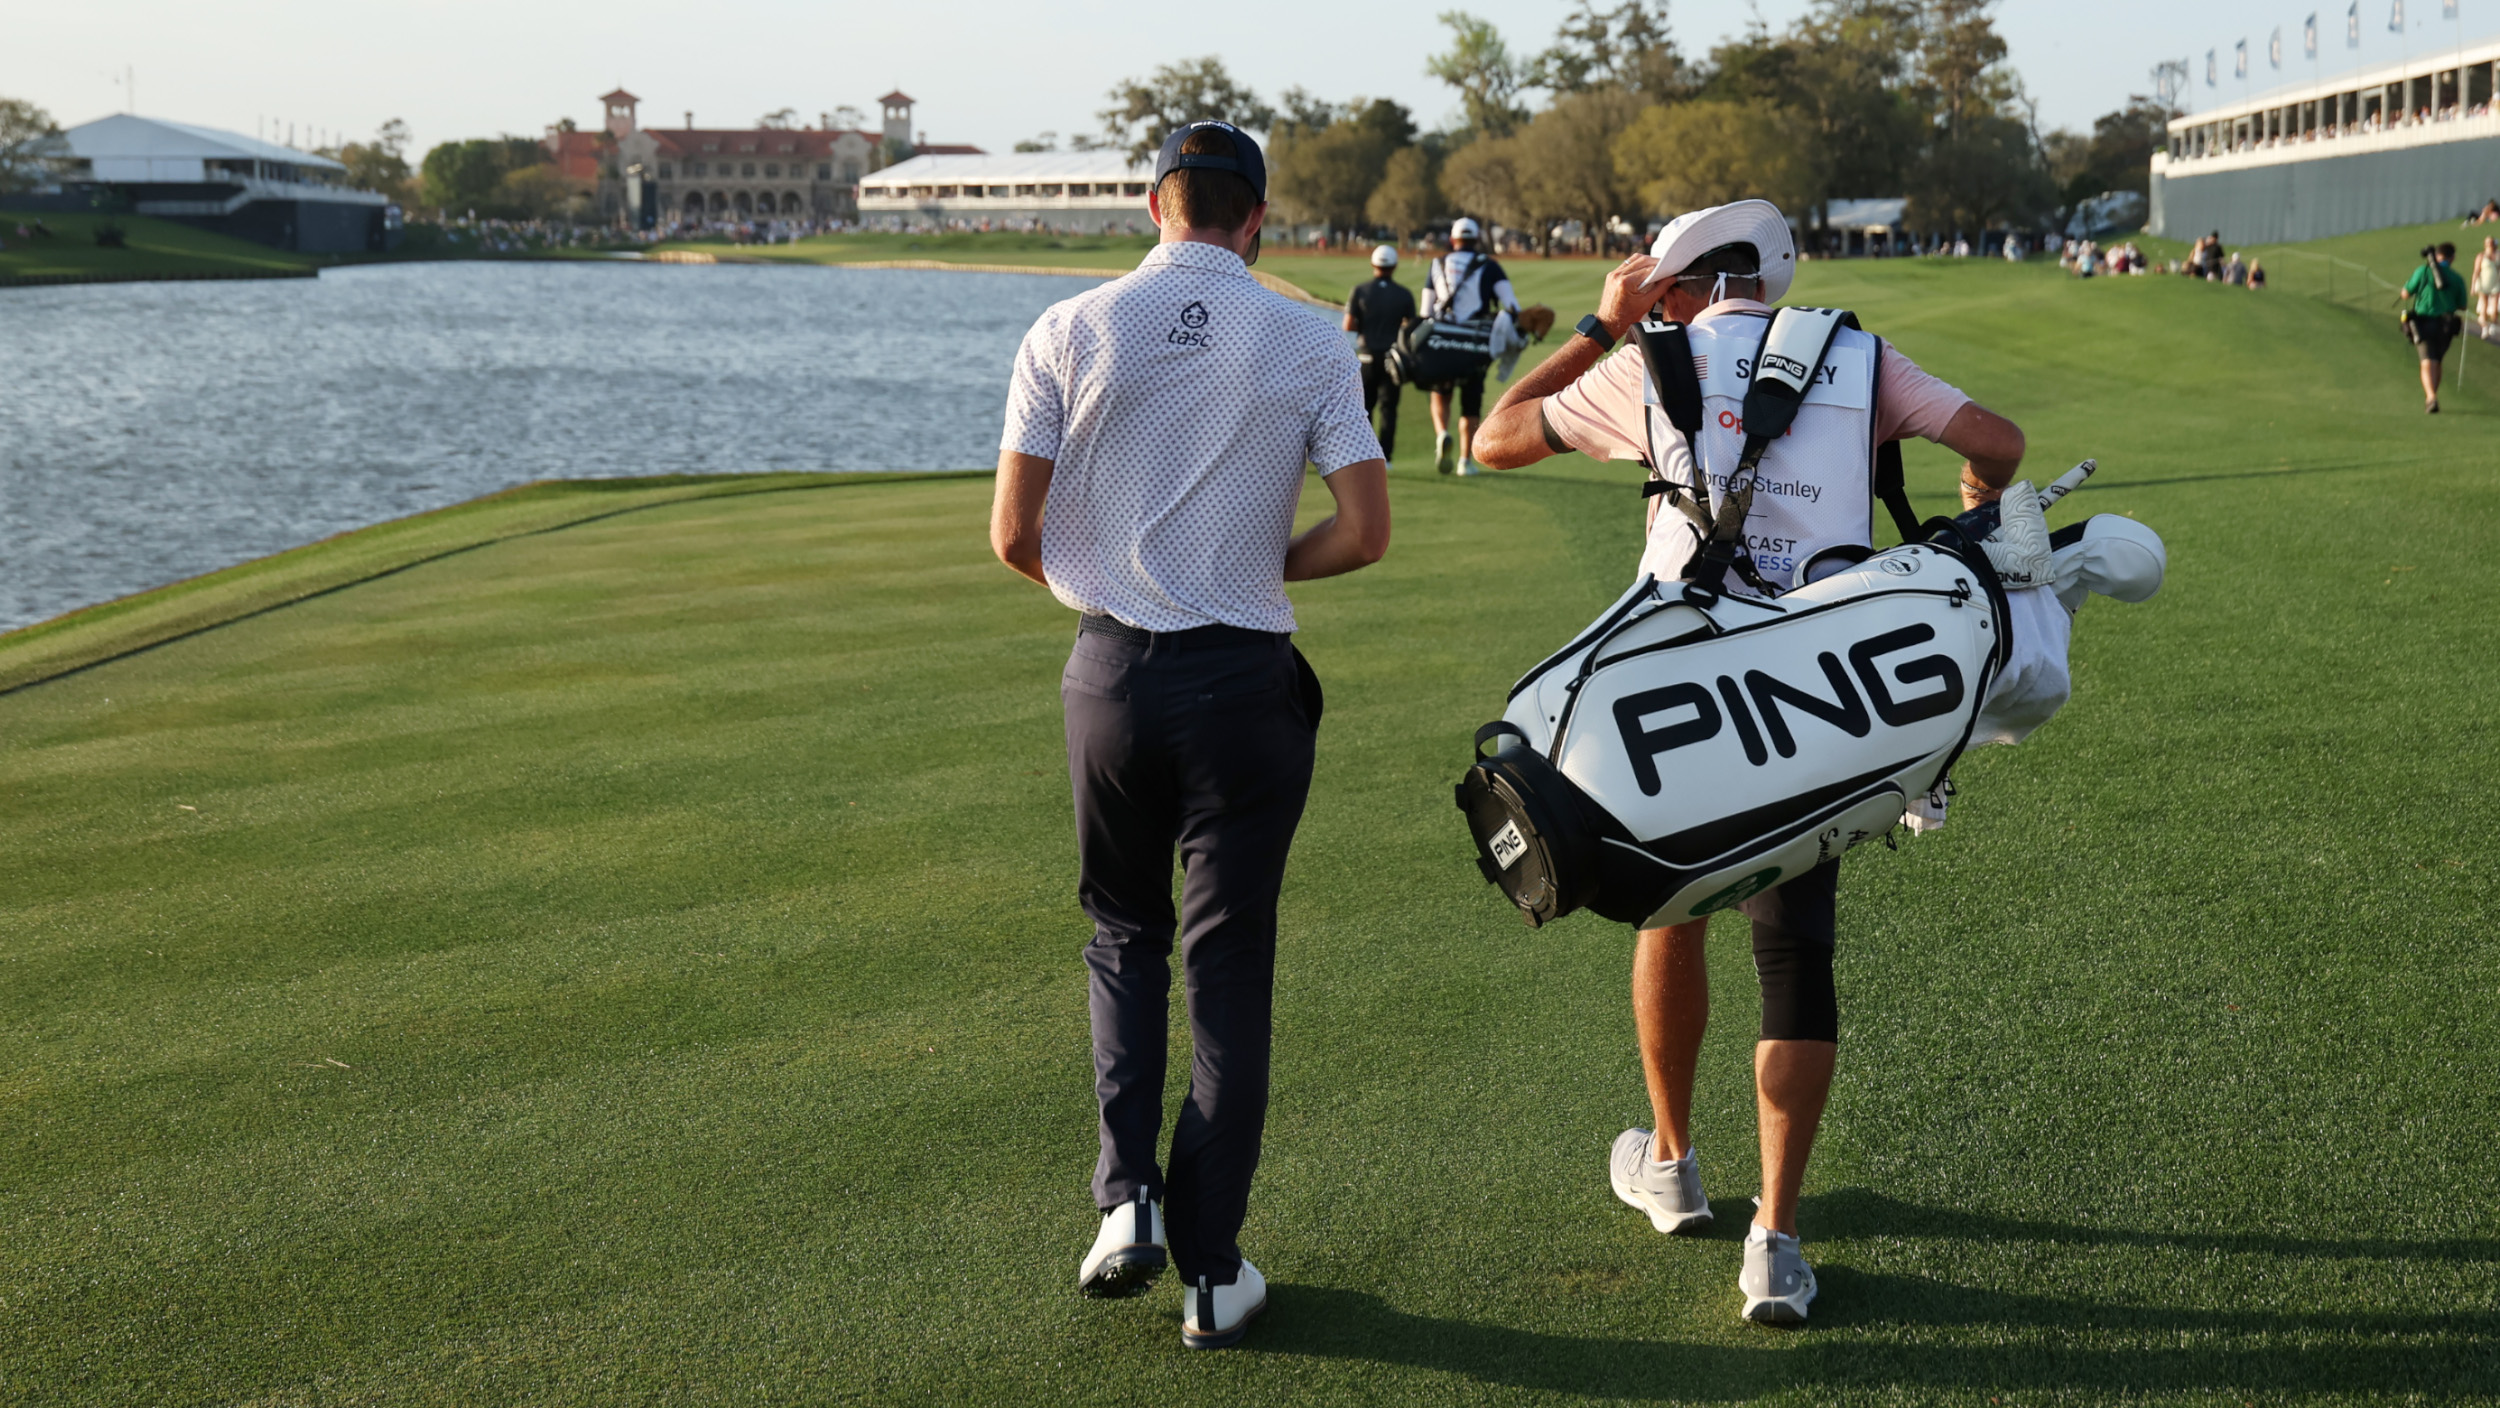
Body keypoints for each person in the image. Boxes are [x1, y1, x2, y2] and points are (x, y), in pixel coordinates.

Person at [1470, 199, 2028, 1326]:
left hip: (1674, 687)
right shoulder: (1859, 354)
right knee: (1794, 950)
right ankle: (1774, 1239)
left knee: (1668, 909)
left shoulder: (1646, 357)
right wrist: (1978, 531)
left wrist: (1597, 322)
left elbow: (1493, 436)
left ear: (1677, 288)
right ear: (1767, 278)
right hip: (1819, 691)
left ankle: (1671, 1164)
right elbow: (1999, 445)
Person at [990, 119, 1392, 1351]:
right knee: (1230, 967)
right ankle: (1213, 1273)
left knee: (1123, 936)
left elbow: (1014, 534)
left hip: (1107, 676)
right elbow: (1365, 529)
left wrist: (1124, 577)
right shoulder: (1305, 336)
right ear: (1255, 218)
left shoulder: (1068, 326)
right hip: (1243, 685)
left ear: (1152, 206)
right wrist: (1250, 566)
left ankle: (1126, 1209)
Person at [1420, 216, 1522, 476]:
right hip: (1475, 344)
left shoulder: (1437, 264)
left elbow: (1425, 310)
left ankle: (1442, 433)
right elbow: (1511, 306)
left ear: (1453, 240)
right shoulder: (1490, 266)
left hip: (1443, 340)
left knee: (1440, 393)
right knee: (1471, 401)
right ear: (1476, 239)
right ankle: (1465, 461)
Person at [1343, 245, 1417, 459]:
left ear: (1373, 264)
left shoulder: (1360, 290)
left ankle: (1363, 455)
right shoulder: (1404, 294)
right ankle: (1386, 457)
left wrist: (1366, 327)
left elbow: (1348, 324)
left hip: (1365, 358)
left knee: (1363, 409)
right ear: (1394, 266)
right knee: (1389, 409)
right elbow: (1410, 328)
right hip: (1392, 359)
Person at [2399, 241, 2470, 412]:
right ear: (2452, 257)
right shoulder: (2457, 278)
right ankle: (2432, 398)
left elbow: (2406, 293)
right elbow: (2462, 305)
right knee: (2437, 361)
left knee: (2426, 361)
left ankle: (2431, 397)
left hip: (2424, 321)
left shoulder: (2423, 271)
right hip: (2446, 325)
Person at [2472, 235, 2499, 329]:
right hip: (2484, 284)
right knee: (2484, 306)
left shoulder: (2498, 255)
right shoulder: (2481, 256)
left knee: (2495, 308)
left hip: (2495, 284)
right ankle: (2484, 326)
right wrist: (2473, 286)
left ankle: (2493, 325)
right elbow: (2476, 271)